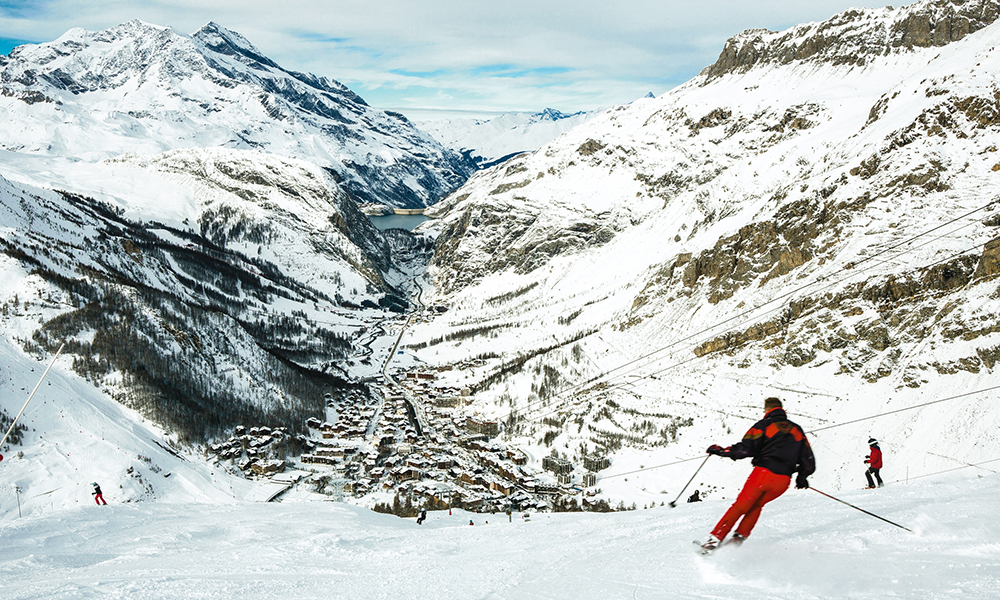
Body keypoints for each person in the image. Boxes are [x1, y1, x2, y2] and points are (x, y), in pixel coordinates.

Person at [700, 397, 815, 552]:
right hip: (783, 481)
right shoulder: (797, 430)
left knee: (741, 506)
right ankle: (737, 539)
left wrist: (721, 451)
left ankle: (714, 541)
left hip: (763, 474)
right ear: (783, 411)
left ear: (766, 411)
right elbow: (808, 460)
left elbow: (745, 449)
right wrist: (802, 477)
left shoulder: (764, 425)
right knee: (757, 505)